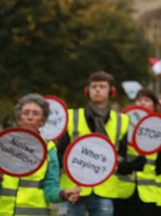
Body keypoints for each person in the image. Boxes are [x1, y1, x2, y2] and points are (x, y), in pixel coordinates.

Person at [0, 93, 81, 215]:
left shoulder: (49, 149)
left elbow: (50, 190)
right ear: (19, 118)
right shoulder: (1, 145)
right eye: (26, 113)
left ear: (43, 121)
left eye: (35, 113)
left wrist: (63, 194)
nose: (30, 117)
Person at [56, 71, 130, 216]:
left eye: (102, 86)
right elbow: (61, 152)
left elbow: (122, 154)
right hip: (73, 188)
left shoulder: (122, 121)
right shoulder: (71, 117)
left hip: (104, 189)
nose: (97, 89)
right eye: (94, 86)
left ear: (111, 91)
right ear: (87, 91)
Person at [114, 88, 161, 216]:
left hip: (152, 196)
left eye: (146, 100)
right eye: (139, 100)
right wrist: (128, 165)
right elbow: (116, 158)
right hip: (125, 194)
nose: (142, 103)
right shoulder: (123, 131)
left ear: (155, 107)